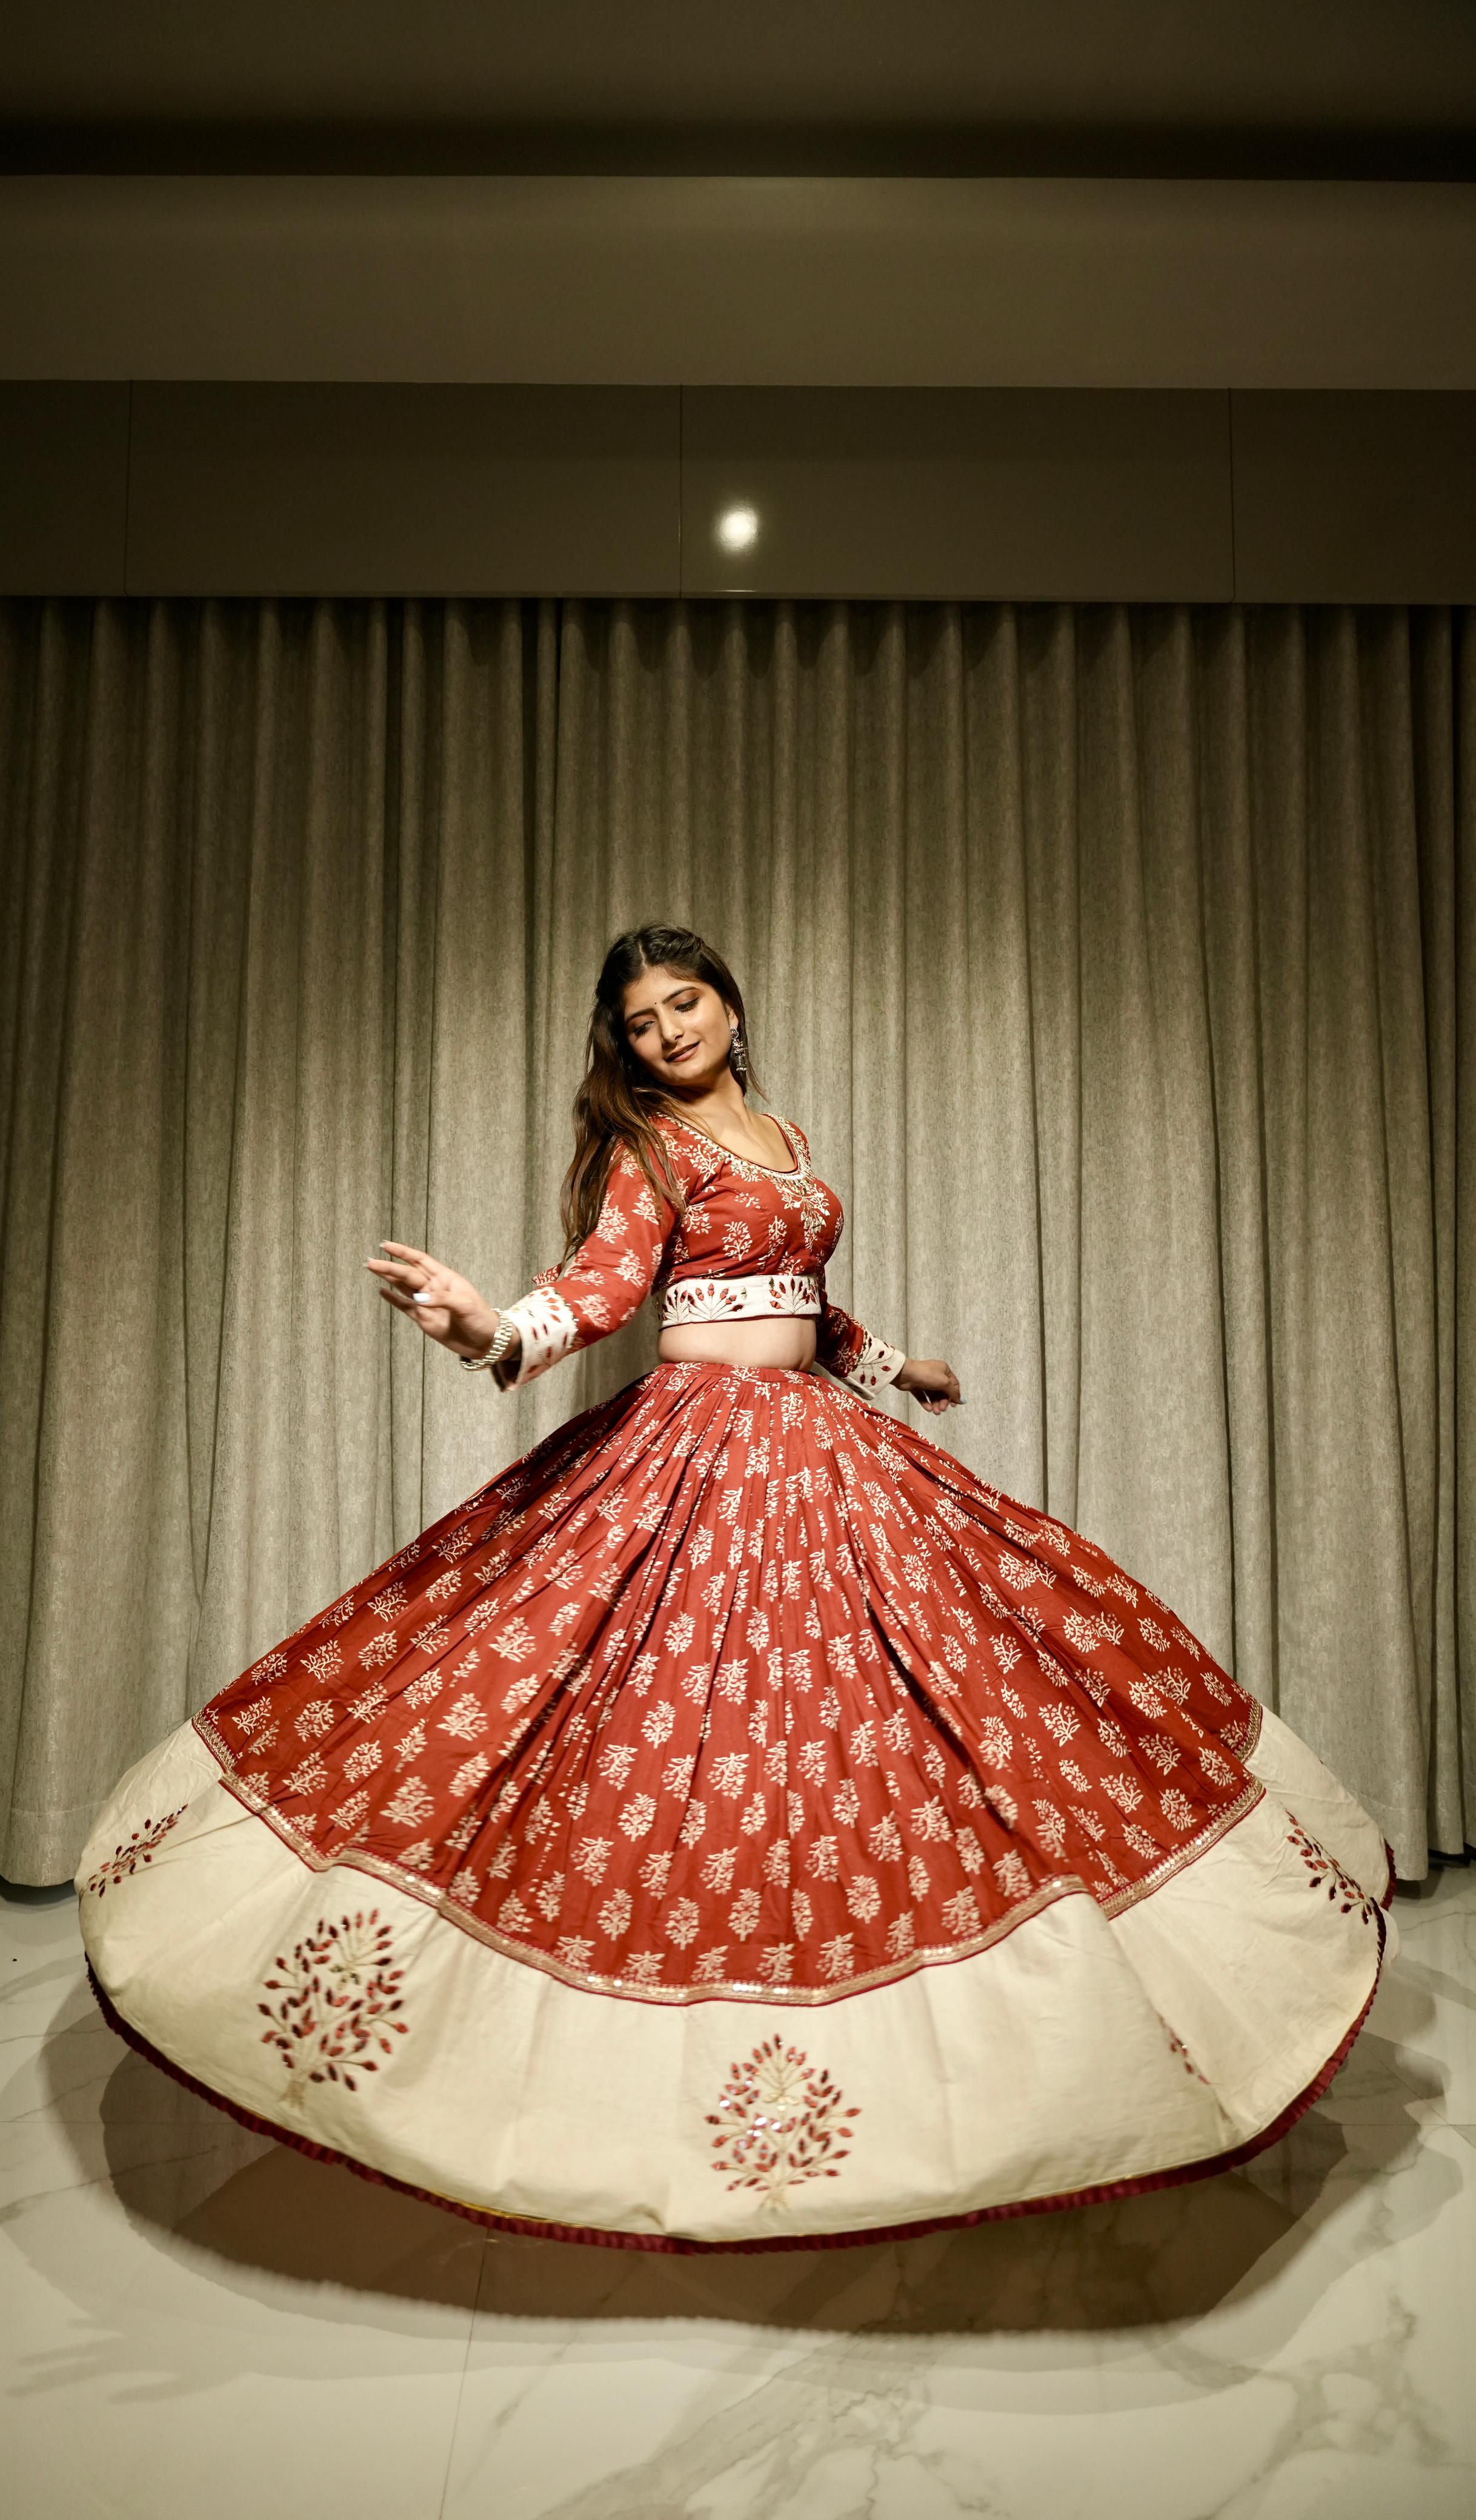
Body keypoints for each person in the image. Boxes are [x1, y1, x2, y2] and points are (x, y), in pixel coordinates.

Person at [79, 924, 1392, 2253]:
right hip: (702, 1446)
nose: (667, 1033)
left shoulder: (788, 1133)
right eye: (642, 1022)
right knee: (673, 1733)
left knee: (911, 1712)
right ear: (627, 1045)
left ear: (729, 1002)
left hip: (823, 1440)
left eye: (685, 1003)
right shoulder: (649, 1151)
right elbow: (599, 1290)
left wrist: (894, 1372)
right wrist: (489, 1329)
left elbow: (810, 1304)